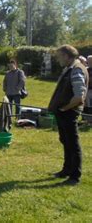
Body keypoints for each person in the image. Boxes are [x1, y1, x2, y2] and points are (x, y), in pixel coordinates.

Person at [48, 45, 88, 186]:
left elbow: (79, 97)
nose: (58, 59)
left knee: (73, 144)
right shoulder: (70, 68)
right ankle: (66, 170)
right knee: (66, 141)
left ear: (66, 55)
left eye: (59, 56)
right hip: (64, 112)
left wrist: (65, 108)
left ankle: (74, 176)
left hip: (69, 112)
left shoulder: (77, 69)